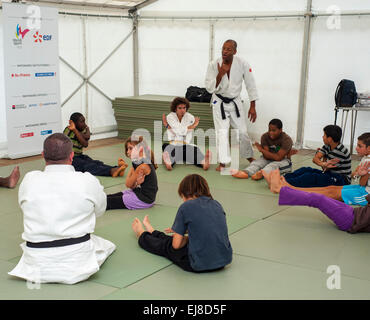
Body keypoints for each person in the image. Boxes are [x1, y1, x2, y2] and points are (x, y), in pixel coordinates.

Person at [8, 133, 116, 284]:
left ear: (43, 155)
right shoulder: (87, 180)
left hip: (35, 262)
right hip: (77, 259)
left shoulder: (29, 179)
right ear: (72, 156)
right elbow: (100, 210)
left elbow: (24, 207)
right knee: (106, 245)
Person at [131, 174, 233, 272]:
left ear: (184, 194)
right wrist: (185, 232)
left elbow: (176, 245)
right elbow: (210, 230)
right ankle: (153, 231)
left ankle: (142, 234)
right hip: (223, 261)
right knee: (180, 240)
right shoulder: (216, 204)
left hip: (198, 264)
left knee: (167, 246)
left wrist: (182, 234)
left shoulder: (186, 206)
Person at [265, 132, 370, 206]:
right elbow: (354, 174)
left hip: (364, 193)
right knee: (328, 188)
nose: (356, 148)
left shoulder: (345, 153)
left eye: (360, 146)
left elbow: (362, 182)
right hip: (357, 187)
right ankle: (283, 183)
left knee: (328, 192)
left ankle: (288, 189)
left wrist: (362, 174)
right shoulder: (365, 158)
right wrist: (324, 163)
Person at [205, 39, 258, 172]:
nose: (225, 51)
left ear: (235, 51)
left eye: (228, 49)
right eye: (223, 48)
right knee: (222, 133)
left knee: (243, 132)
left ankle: (249, 156)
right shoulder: (213, 64)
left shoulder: (242, 63)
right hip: (219, 102)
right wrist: (220, 74)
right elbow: (209, 88)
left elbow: (250, 84)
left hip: (235, 101)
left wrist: (253, 106)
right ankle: (223, 162)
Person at [277, 186, 370, 233]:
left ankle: (281, 191)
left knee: (317, 199)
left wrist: (354, 228)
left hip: (349, 220)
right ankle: (285, 189)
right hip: (354, 211)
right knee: (322, 197)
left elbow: (365, 220)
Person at [282, 125, 351, 188]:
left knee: (311, 177)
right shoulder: (327, 146)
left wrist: (323, 159)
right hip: (330, 174)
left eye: (324, 135)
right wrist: (323, 163)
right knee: (305, 169)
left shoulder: (340, 152)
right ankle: (282, 178)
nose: (322, 137)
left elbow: (325, 168)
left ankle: (284, 183)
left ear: (329, 139)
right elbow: (315, 159)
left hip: (341, 180)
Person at [63, 112, 127, 177]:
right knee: (88, 166)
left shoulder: (82, 130)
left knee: (95, 162)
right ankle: (110, 171)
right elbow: (85, 144)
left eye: (84, 121)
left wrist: (84, 129)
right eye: (82, 122)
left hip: (79, 156)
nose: (84, 124)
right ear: (73, 123)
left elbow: (86, 138)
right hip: (70, 159)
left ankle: (115, 168)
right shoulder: (68, 130)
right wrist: (74, 129)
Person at [106, 136, 158, 210]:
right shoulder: (137, 162)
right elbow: (131, 186)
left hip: (144, 200)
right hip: (139, 192)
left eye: (130, 148)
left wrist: (133, 179)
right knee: (110, 196)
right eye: (127, 149)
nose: (127, 152)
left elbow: (128, 184)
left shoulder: (143, 166)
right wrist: (136, 183)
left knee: (109, 202)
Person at [161, 97, 211, 171]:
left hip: (186, 146)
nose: (182, 110)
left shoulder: (190, 117)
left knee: (195, 151)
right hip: (174, 145)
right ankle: (169, 163)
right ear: (175, 109)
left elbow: (180, 131)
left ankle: (204, 163)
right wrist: (193, 126)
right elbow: (179, 131)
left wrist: (168, 126)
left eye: (184, 108)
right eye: (180, 108)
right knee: (166, 146)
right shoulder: (170, 117)